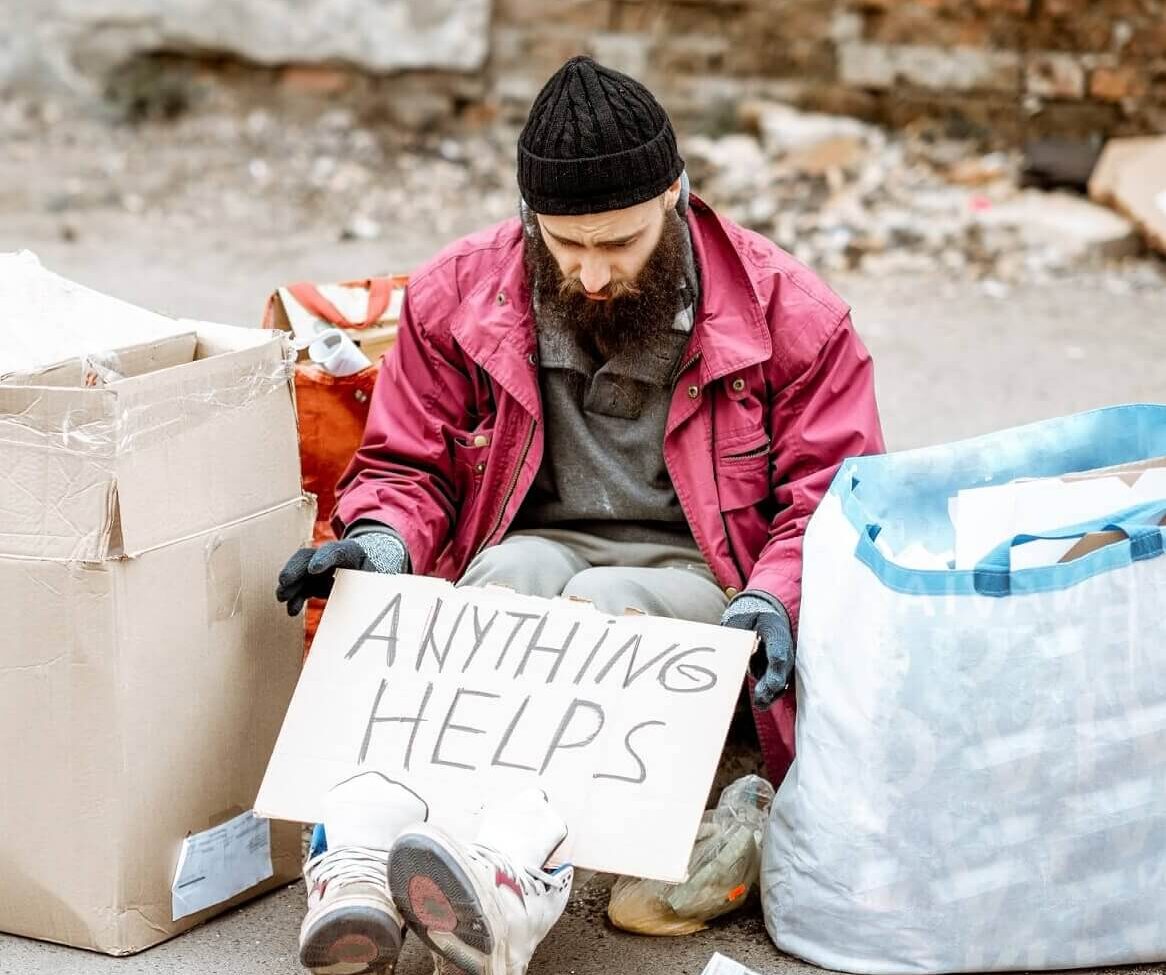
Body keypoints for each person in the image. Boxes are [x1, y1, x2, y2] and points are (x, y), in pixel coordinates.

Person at [277, 55, 884, 975]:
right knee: (498, 590)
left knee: (598, 604)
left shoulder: (789, 315)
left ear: (677, 199)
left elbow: (831, 503)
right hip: (532, 544)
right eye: (568, 246)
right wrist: (379, 541)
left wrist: (776, 600)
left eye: (623, 242)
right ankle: (366, 852)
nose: (593, 274)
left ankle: (515, 874)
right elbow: (408, 462)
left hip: (703, 572)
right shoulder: (459, 293)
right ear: (530, 220)